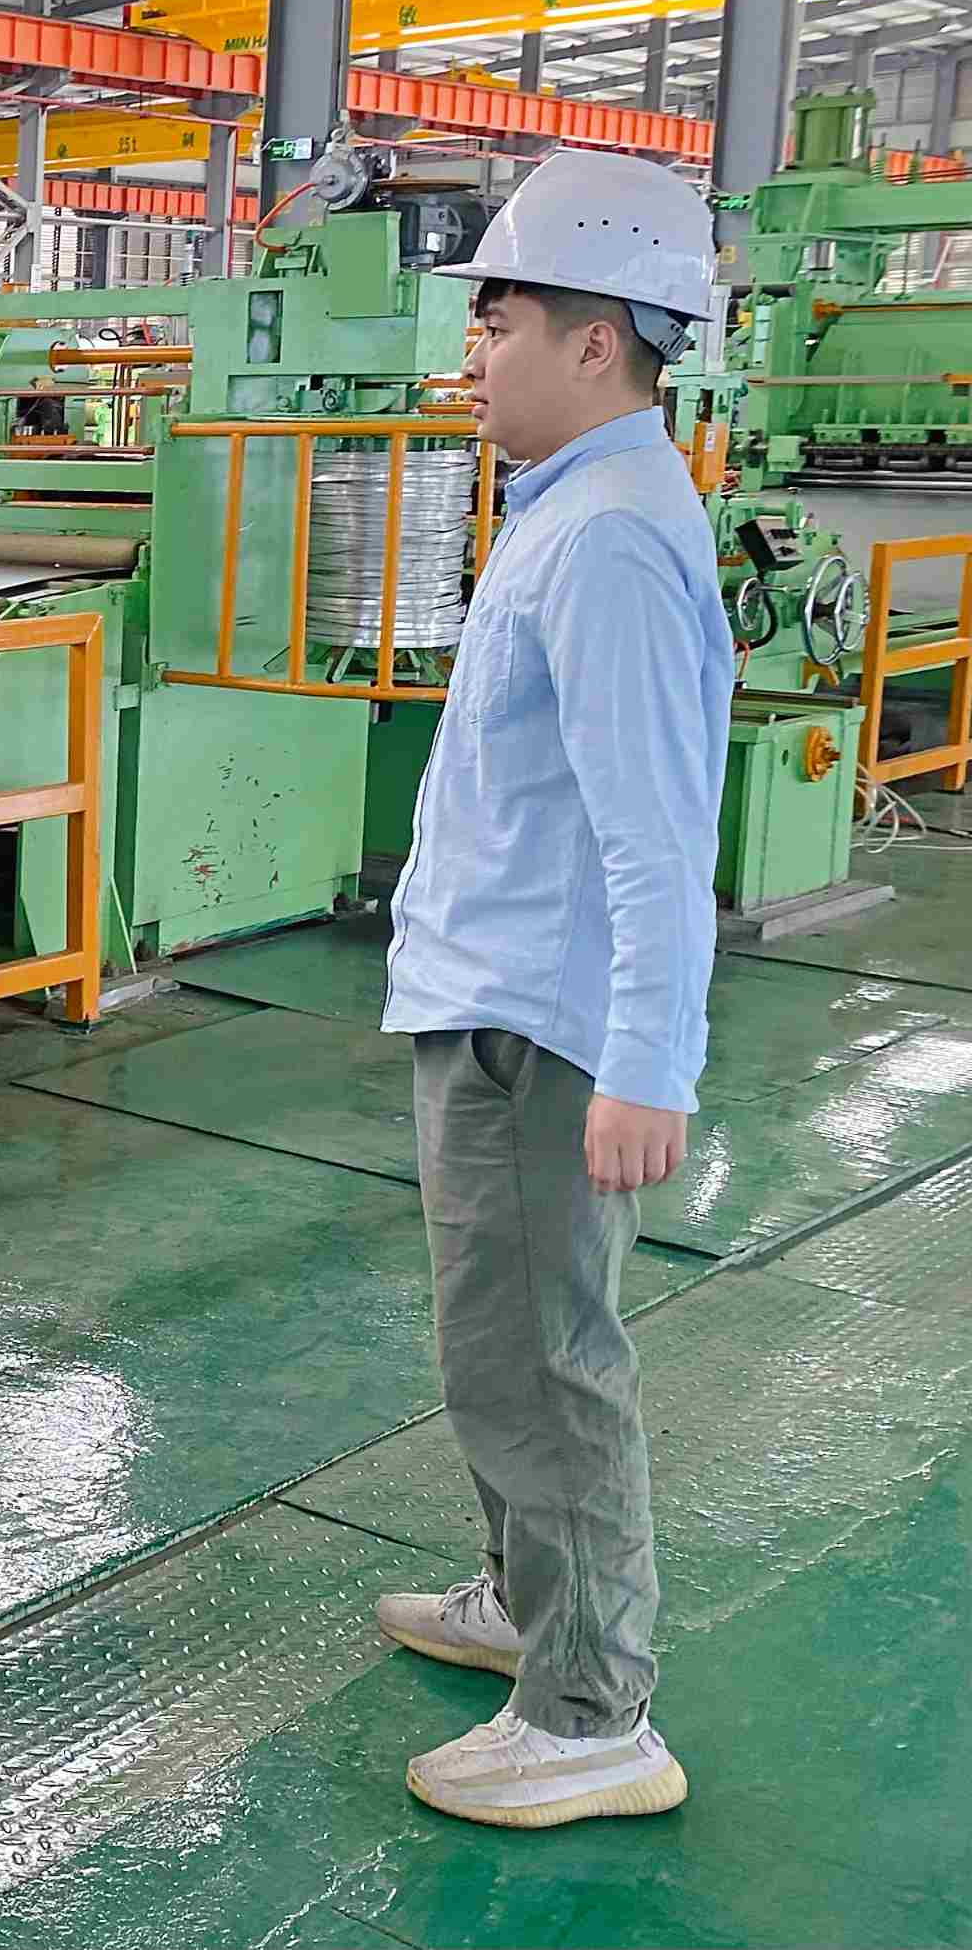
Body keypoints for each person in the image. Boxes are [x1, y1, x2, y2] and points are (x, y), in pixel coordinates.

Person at [375, 149, 733, 1825]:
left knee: (539, 1360)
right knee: (497, 1345)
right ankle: (527, 1601)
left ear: (597, 342)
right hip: (491, 994)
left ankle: (592, 1711)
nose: (473, 351)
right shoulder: (568, 509)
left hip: (542, 1028)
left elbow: (656, 830)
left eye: (498, 321)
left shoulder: (605, 539)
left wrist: (647, 1060)